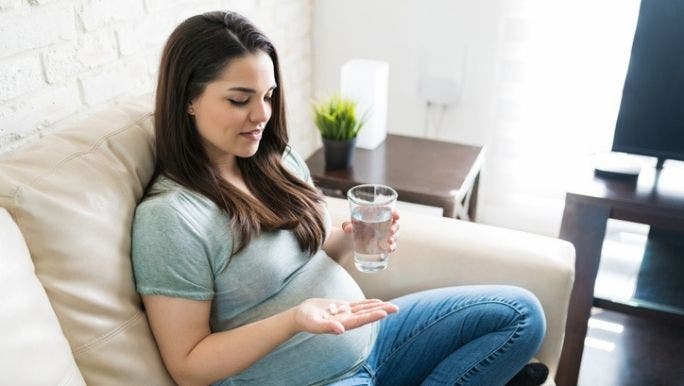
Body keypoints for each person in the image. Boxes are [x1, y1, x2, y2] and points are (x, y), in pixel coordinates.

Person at [131, 11, 547, 386]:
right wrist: (292, 321)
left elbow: (304, 258)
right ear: (187, 99)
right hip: (314, 380)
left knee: (520, 314)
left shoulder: (272, 160)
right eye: (240, 99)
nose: (262, 115)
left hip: (376, 338)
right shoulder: (171, 218)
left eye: (268, 96)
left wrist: (349, 239)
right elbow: (187, 365)